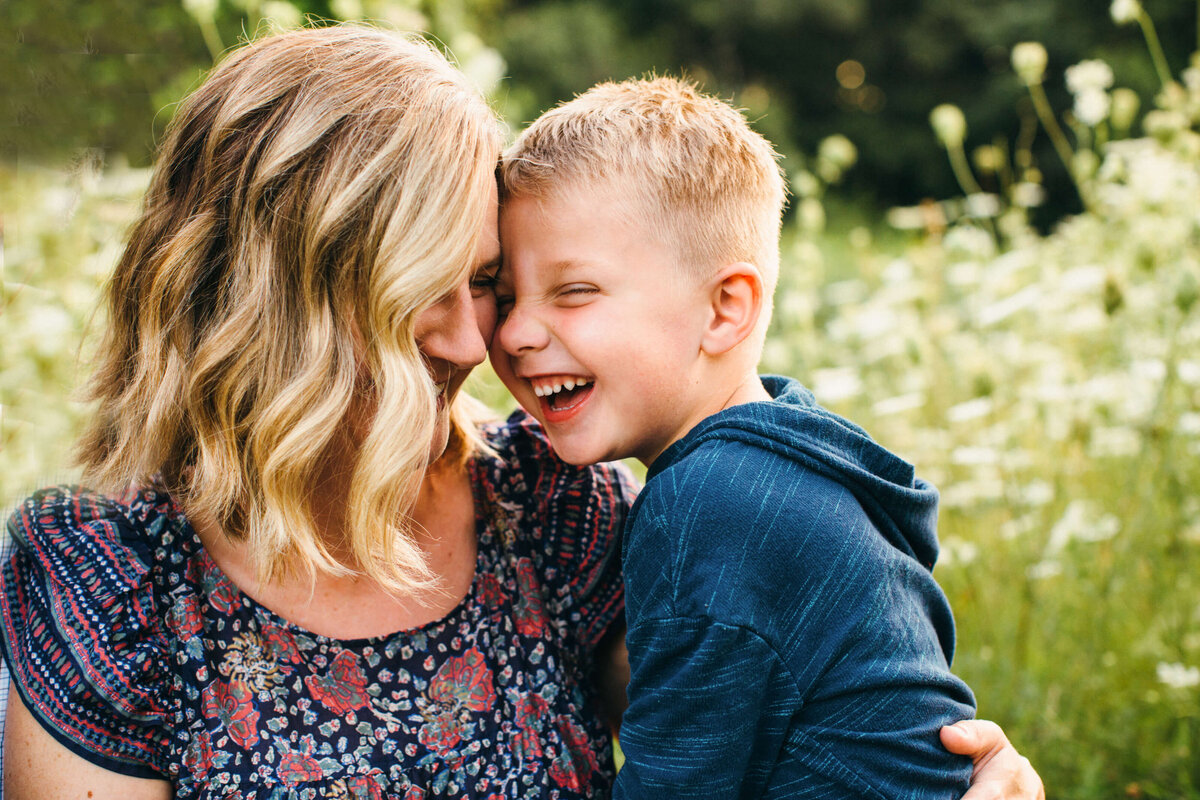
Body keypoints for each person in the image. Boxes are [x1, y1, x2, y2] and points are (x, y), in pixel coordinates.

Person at [0, 24, 1041, 800]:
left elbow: (783, 714)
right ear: (279, 298)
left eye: (487, 282)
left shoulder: (556, 506)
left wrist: (954, 766)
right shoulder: (112, 580)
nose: (475, 342)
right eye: (420, 292)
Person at [491, 76, 986, 798]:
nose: (513, 332)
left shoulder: (709, 505)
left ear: (726, 309)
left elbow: (676, 786)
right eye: (504, 297)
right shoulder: (795, 450)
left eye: (573, 291)